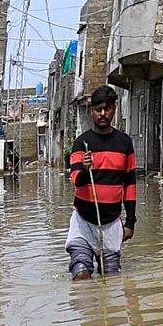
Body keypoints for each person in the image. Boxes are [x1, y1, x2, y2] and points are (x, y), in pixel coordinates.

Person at [67, 86, 138, 279]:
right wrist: (84, 168)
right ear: (92, 111)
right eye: (98, 109)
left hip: (111, 224)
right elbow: (75, 180)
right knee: (81, 274)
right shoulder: (82, 144)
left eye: (107, 109)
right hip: (83, 223)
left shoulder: (124, 143)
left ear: (114, 109)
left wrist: (130, 222)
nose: (103, 114)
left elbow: (130, 185)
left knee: (112, 280)